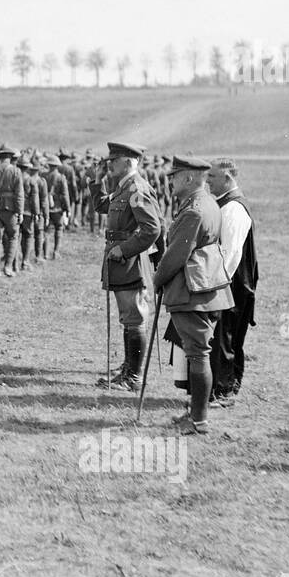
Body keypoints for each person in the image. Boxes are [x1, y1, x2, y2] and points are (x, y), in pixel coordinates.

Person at [155, 156, 234, 434]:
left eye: (175, 176)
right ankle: (195, 413)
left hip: (192, 293)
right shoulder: (207, 204)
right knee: (197, 353)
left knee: (198, 354)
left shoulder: (194, 211)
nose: (171, 181)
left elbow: (176, 255)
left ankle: (198, 420)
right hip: (205, 289)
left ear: (188, 178)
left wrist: (157, 279)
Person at [97, 141, 162, 391]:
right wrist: (96, 182)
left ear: (128, 162)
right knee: (129, 318)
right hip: (123, 261)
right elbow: (100, 205)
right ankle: (128, 369)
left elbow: (152, 228)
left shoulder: (135, 188)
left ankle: (134, 378)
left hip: (129, 261)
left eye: (114, 161)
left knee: (134, 318)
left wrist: (123, 250)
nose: (110, 164)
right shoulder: (125, 187)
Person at [206, 157, 258, 406]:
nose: (208, 182)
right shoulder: (225, 204)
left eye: (212, 177)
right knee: (223, 336)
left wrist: (214, 284)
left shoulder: (234, 208)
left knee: (225, 336)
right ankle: (224, 387)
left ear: (228, 178)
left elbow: (231, 253)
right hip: (228, 281)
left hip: (231, 283)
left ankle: (225, 391)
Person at [0, 143, 25, 277]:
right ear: (10, 157)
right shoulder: (16, 171)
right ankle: (8, 267)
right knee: (12, 237)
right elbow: (19, 193)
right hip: (11, 209)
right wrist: (20, 211)